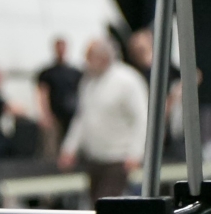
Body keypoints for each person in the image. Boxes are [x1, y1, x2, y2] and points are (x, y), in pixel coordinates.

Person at [59, 38, 149, 202]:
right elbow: (82, 117)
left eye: (90, 58)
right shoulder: (89, 82)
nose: (86, 63)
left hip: (118, 159)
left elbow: (142, 118)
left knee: (106, 204)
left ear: (103, 58)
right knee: (95, 203)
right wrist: (69, 148)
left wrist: (136, 153)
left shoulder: (127, 80)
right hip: (95, 158)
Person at [36, 39, 82, 151]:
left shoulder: (75, 73)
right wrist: (45, 114)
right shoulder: (47, 73)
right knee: (52, 147)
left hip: (72, 115)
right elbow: (43, 93)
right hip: (54, 115)